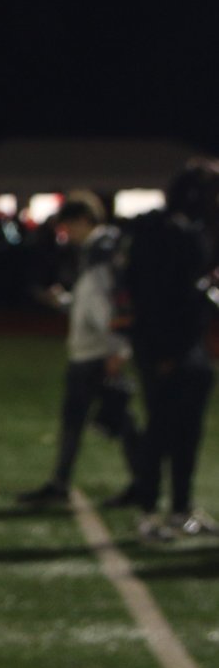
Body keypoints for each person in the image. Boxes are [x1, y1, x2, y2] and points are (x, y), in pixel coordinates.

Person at [15, 192, 155, 512]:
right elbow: (97, 302)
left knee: (110, 421)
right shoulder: (98, 252)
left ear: (83, 221)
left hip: (98, 352)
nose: (66, 234)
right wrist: (65, 302)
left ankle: (137, 484)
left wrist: (119, 347)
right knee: (112, 422)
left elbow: (116, 303)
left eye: (68, 226)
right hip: (96, 349)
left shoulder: (104, 253)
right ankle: (141, 483)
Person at [123, 159, 218, 541]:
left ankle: (180, 508)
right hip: (167, 345)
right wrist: (164, 349)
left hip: (187, 345)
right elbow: (156, 295)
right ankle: (148, 512)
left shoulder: (187, 231)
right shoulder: (164, 232)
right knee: (161, 431)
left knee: (187, 432)